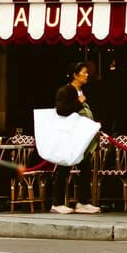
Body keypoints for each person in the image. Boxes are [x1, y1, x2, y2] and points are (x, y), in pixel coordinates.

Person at [48, 61, 101, 216]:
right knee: (64, 167)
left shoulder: (80, 91)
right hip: (69, 137)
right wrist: (78, 102)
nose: (86, 75)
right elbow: (61, 110)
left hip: (81, 139)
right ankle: (57, 202)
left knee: (85, 168)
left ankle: (83, 202)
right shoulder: (67, 91)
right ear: (75, 75)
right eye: (83, 72)